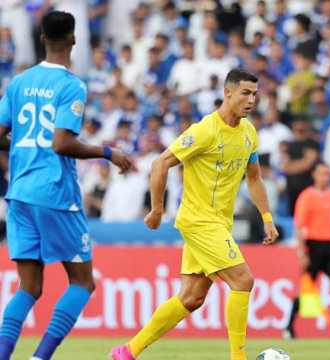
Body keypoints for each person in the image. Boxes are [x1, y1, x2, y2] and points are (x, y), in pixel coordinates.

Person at [111, 69, 279, 360]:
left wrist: (267, 217)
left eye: (255, 94)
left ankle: (127, 352)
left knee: (191, 298)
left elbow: (254, 178)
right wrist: (156, 210)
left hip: (219, 224)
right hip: (199, 220)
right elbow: (160, 163)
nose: (251, 100)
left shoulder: (249, 133)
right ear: (228, 93)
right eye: (245, 93)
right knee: (243, 280)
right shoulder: (205, 131)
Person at [0, 11, 133, 360]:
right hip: (54, 192)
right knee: (82, 282)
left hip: (19, 193)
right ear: (73, 40)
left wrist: (21, 143)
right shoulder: (72, 85)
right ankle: (39, 358)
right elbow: (61, 144)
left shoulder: (19, 83)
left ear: (42, 38)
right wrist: (108, 152)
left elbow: (0, 136)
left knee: (29, 287)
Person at [283, 163, 330, 340]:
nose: (325, 177)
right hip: (313, 246)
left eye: (328, 174)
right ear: (314, 175)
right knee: (306, 289)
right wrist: (302, 252)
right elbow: (300, 226)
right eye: (322, 173)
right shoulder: (307, 196)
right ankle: (289, 327)